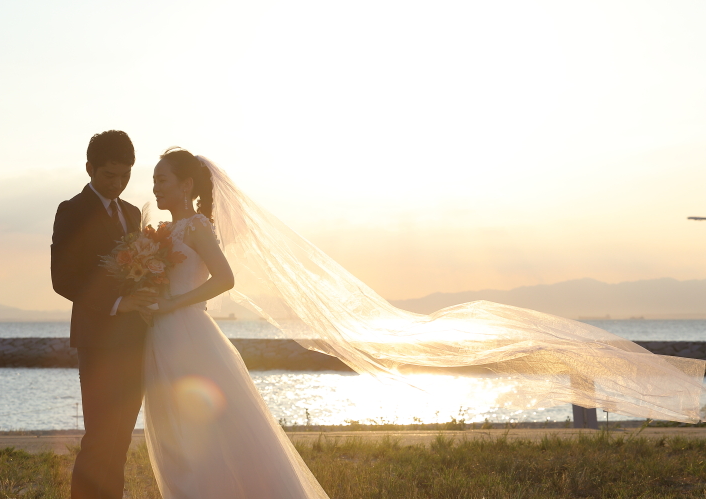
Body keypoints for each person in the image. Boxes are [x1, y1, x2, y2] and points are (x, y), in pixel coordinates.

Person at [143, 147, 705, 498]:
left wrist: (169, 304)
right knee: (174, 425)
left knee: (220, 431)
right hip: (162, 339)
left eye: (164, 179)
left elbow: (225, 282)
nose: (156, 188)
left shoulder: (196, 231)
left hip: (190, 333)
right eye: (154, 181)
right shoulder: (159, 236)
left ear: (189, 184)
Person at [51, 130, 158, 499]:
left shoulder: (131, 213)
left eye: (125, 175)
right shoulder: (71, 210)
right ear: (89, 168)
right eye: (109, 175)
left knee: (121, 436)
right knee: (99, 437)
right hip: (97, 340)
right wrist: (116, 303)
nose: (117, 183)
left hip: (134, 340)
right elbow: (62, 278)